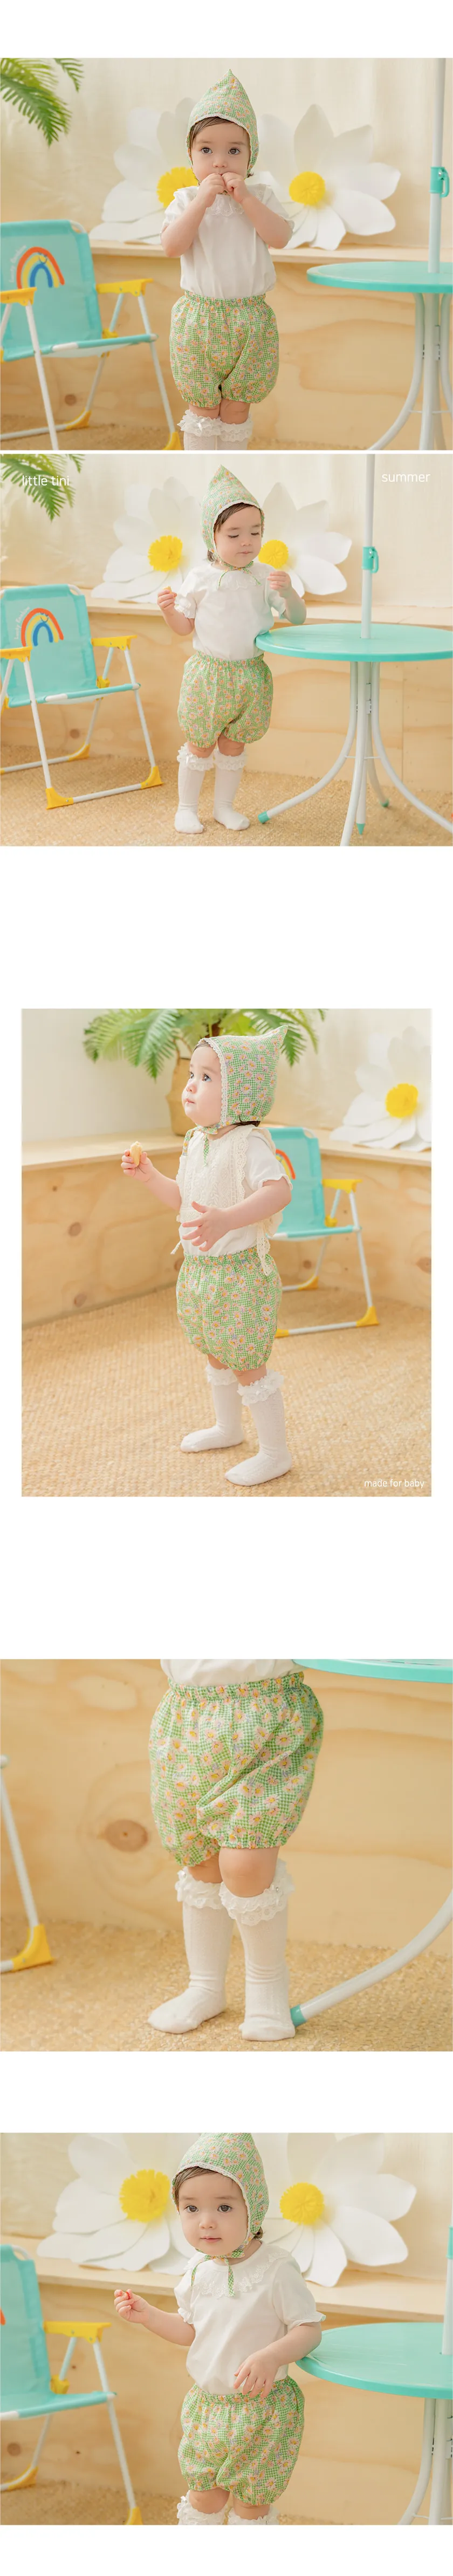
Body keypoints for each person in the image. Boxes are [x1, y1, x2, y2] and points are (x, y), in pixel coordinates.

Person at [115, 2131, 322, 2524]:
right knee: (203, 2495)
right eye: (191, 2208)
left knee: (251, 2502)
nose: (206, 2221)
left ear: (253, 2208)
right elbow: (190, 2330)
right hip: (207, 2407)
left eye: (224, 2207)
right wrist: (149, 2316)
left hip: (262, 2410)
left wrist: (270, 2356)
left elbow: (309, 2329)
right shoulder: (197, 2269)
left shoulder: (276, 2269)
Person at [121, 1028, 294, 1484]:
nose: (191, 1086)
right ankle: (228, 1427)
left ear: (240, 1092)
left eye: (206, 1077)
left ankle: (276, 1452)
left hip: (239, 1277)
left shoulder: (249, 1143)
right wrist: (150, 1177)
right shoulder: (196, 1140)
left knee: (246, 1362)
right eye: (192, 1075)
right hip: (201, 1271)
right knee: (216, 1352)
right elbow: (184, 1199)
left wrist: (229, 1218)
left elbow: (280, 1191)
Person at [147, 1658, 323, 2039]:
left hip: (268, 1716)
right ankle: (205, 1985)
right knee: (201, 1859)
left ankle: (266, 1984)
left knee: (246, 1864)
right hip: (186, 1716)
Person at [157, 466, 306, 834]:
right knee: (200, 745)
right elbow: (184, 628)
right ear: (212, 537)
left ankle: (224, 807)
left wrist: (288, 592)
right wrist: (169, 611)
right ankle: (186, 809)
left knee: (234, 745)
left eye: (256, 532)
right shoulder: (200, 578)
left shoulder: (264, 575)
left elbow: (298, 617)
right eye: (235, 534)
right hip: (209, 676)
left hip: (251, 676)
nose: (247, 542)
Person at [161, 70, 291, 450]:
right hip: (198, 320)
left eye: (234, 151)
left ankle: (233, 460)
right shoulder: (186, 200)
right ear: (190, 155)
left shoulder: (261, 197)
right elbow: (172, 247)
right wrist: (202, 201)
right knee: (203, 407)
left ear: (251, 158)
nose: (220, 162)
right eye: (206, 150)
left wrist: (246, 199)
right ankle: (200, 465)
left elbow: (280, 238)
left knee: (236, 407)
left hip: (251, 320)